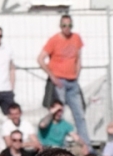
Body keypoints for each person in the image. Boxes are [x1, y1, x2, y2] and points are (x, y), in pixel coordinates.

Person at [38, 14, 91, 148]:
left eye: (69, 25)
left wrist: (77, 74)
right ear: (60, 26)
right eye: (64, 25)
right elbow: (40, 59)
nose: (67, 28)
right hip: (59, 82)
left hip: (72, 82)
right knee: (59, 114)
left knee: (80, 115)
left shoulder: (76, 38)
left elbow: (78, 59)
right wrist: (52, 76)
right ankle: (59, 143)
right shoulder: (54, 40)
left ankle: (87, 147)